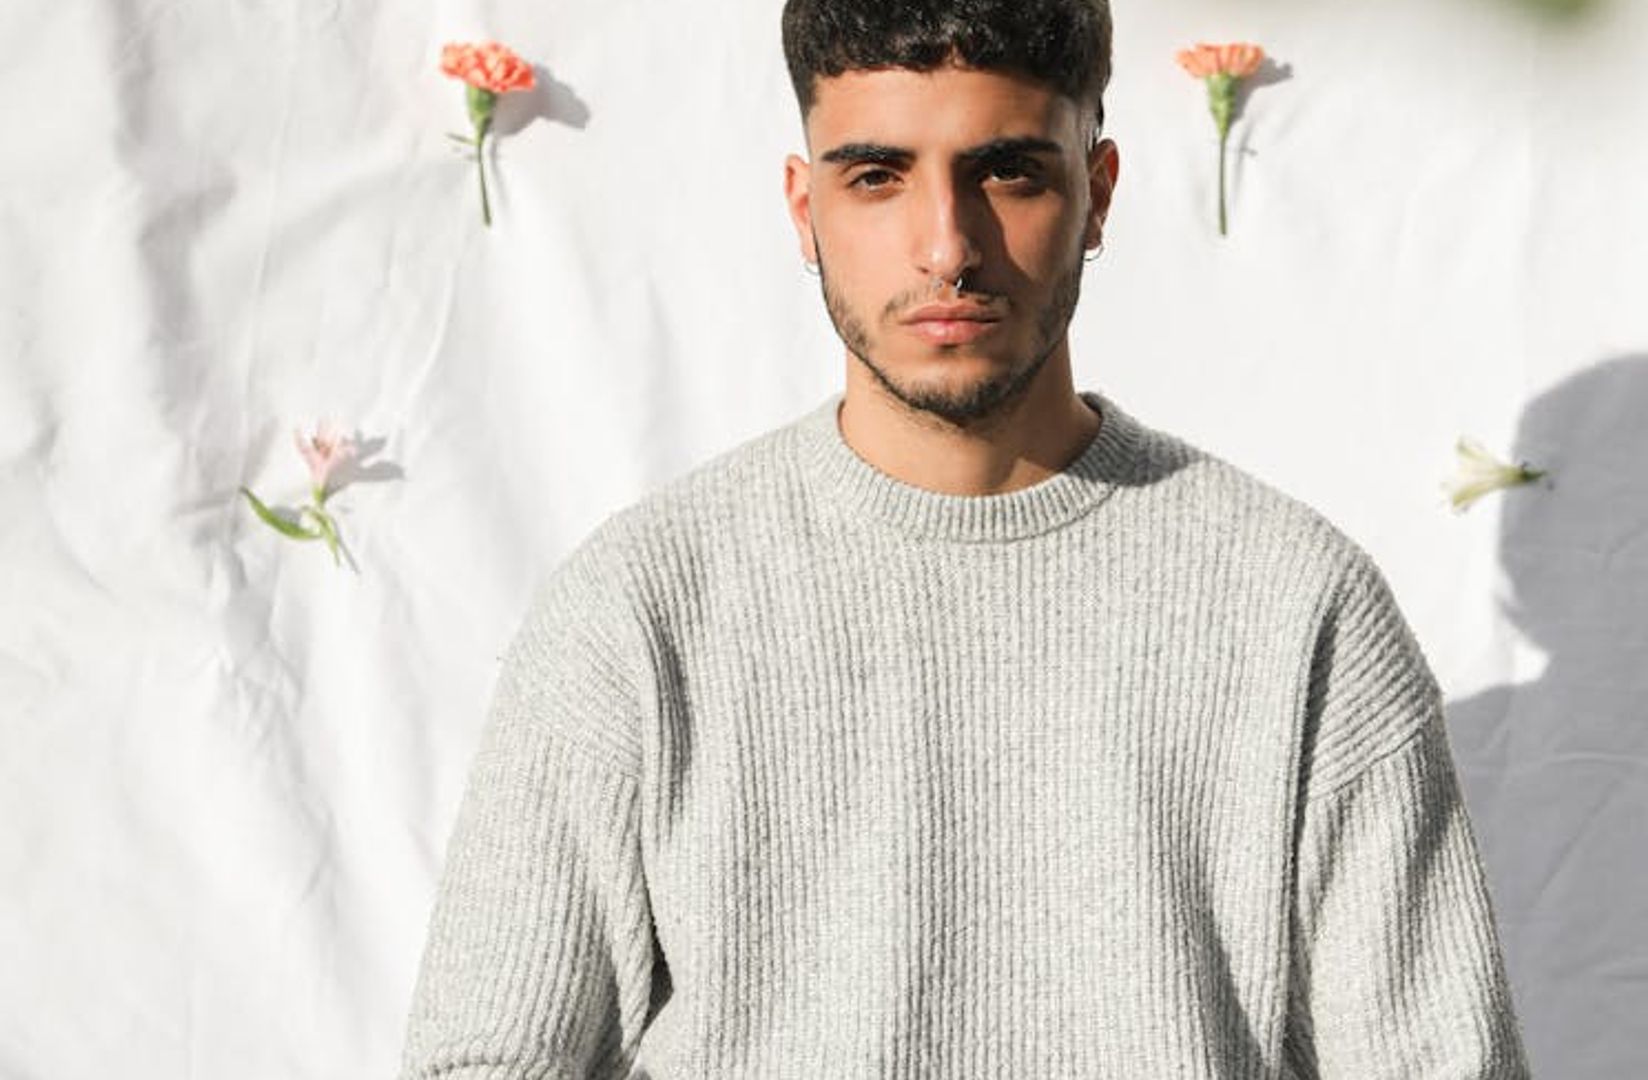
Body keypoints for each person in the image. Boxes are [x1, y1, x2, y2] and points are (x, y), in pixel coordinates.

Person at [395, 1, 1532, 1076]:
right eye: (878, 177)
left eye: (1009, 172)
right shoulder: (640, 609)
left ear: (1099, 189)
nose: (947, 246)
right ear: (804, 208)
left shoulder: (1302, 608)